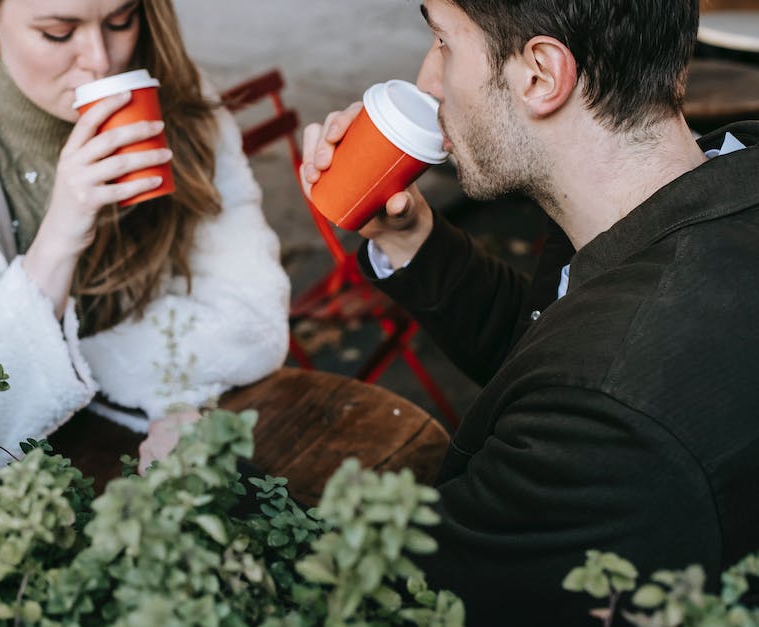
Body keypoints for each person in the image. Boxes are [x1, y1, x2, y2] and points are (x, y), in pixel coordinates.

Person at [302, 0, 759, 625]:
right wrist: (407, 241)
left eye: (443, 42)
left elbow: (407, 601)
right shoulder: (713, 187)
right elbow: (554, 341)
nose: (427, 82)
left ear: (541, 75)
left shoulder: (606, 420)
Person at [0, 0, 289, 474]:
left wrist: (174, 406)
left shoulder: (176, 103)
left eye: (120, 21)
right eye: (59, 33)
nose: (101, 60)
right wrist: (60, 237)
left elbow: (255, 317)